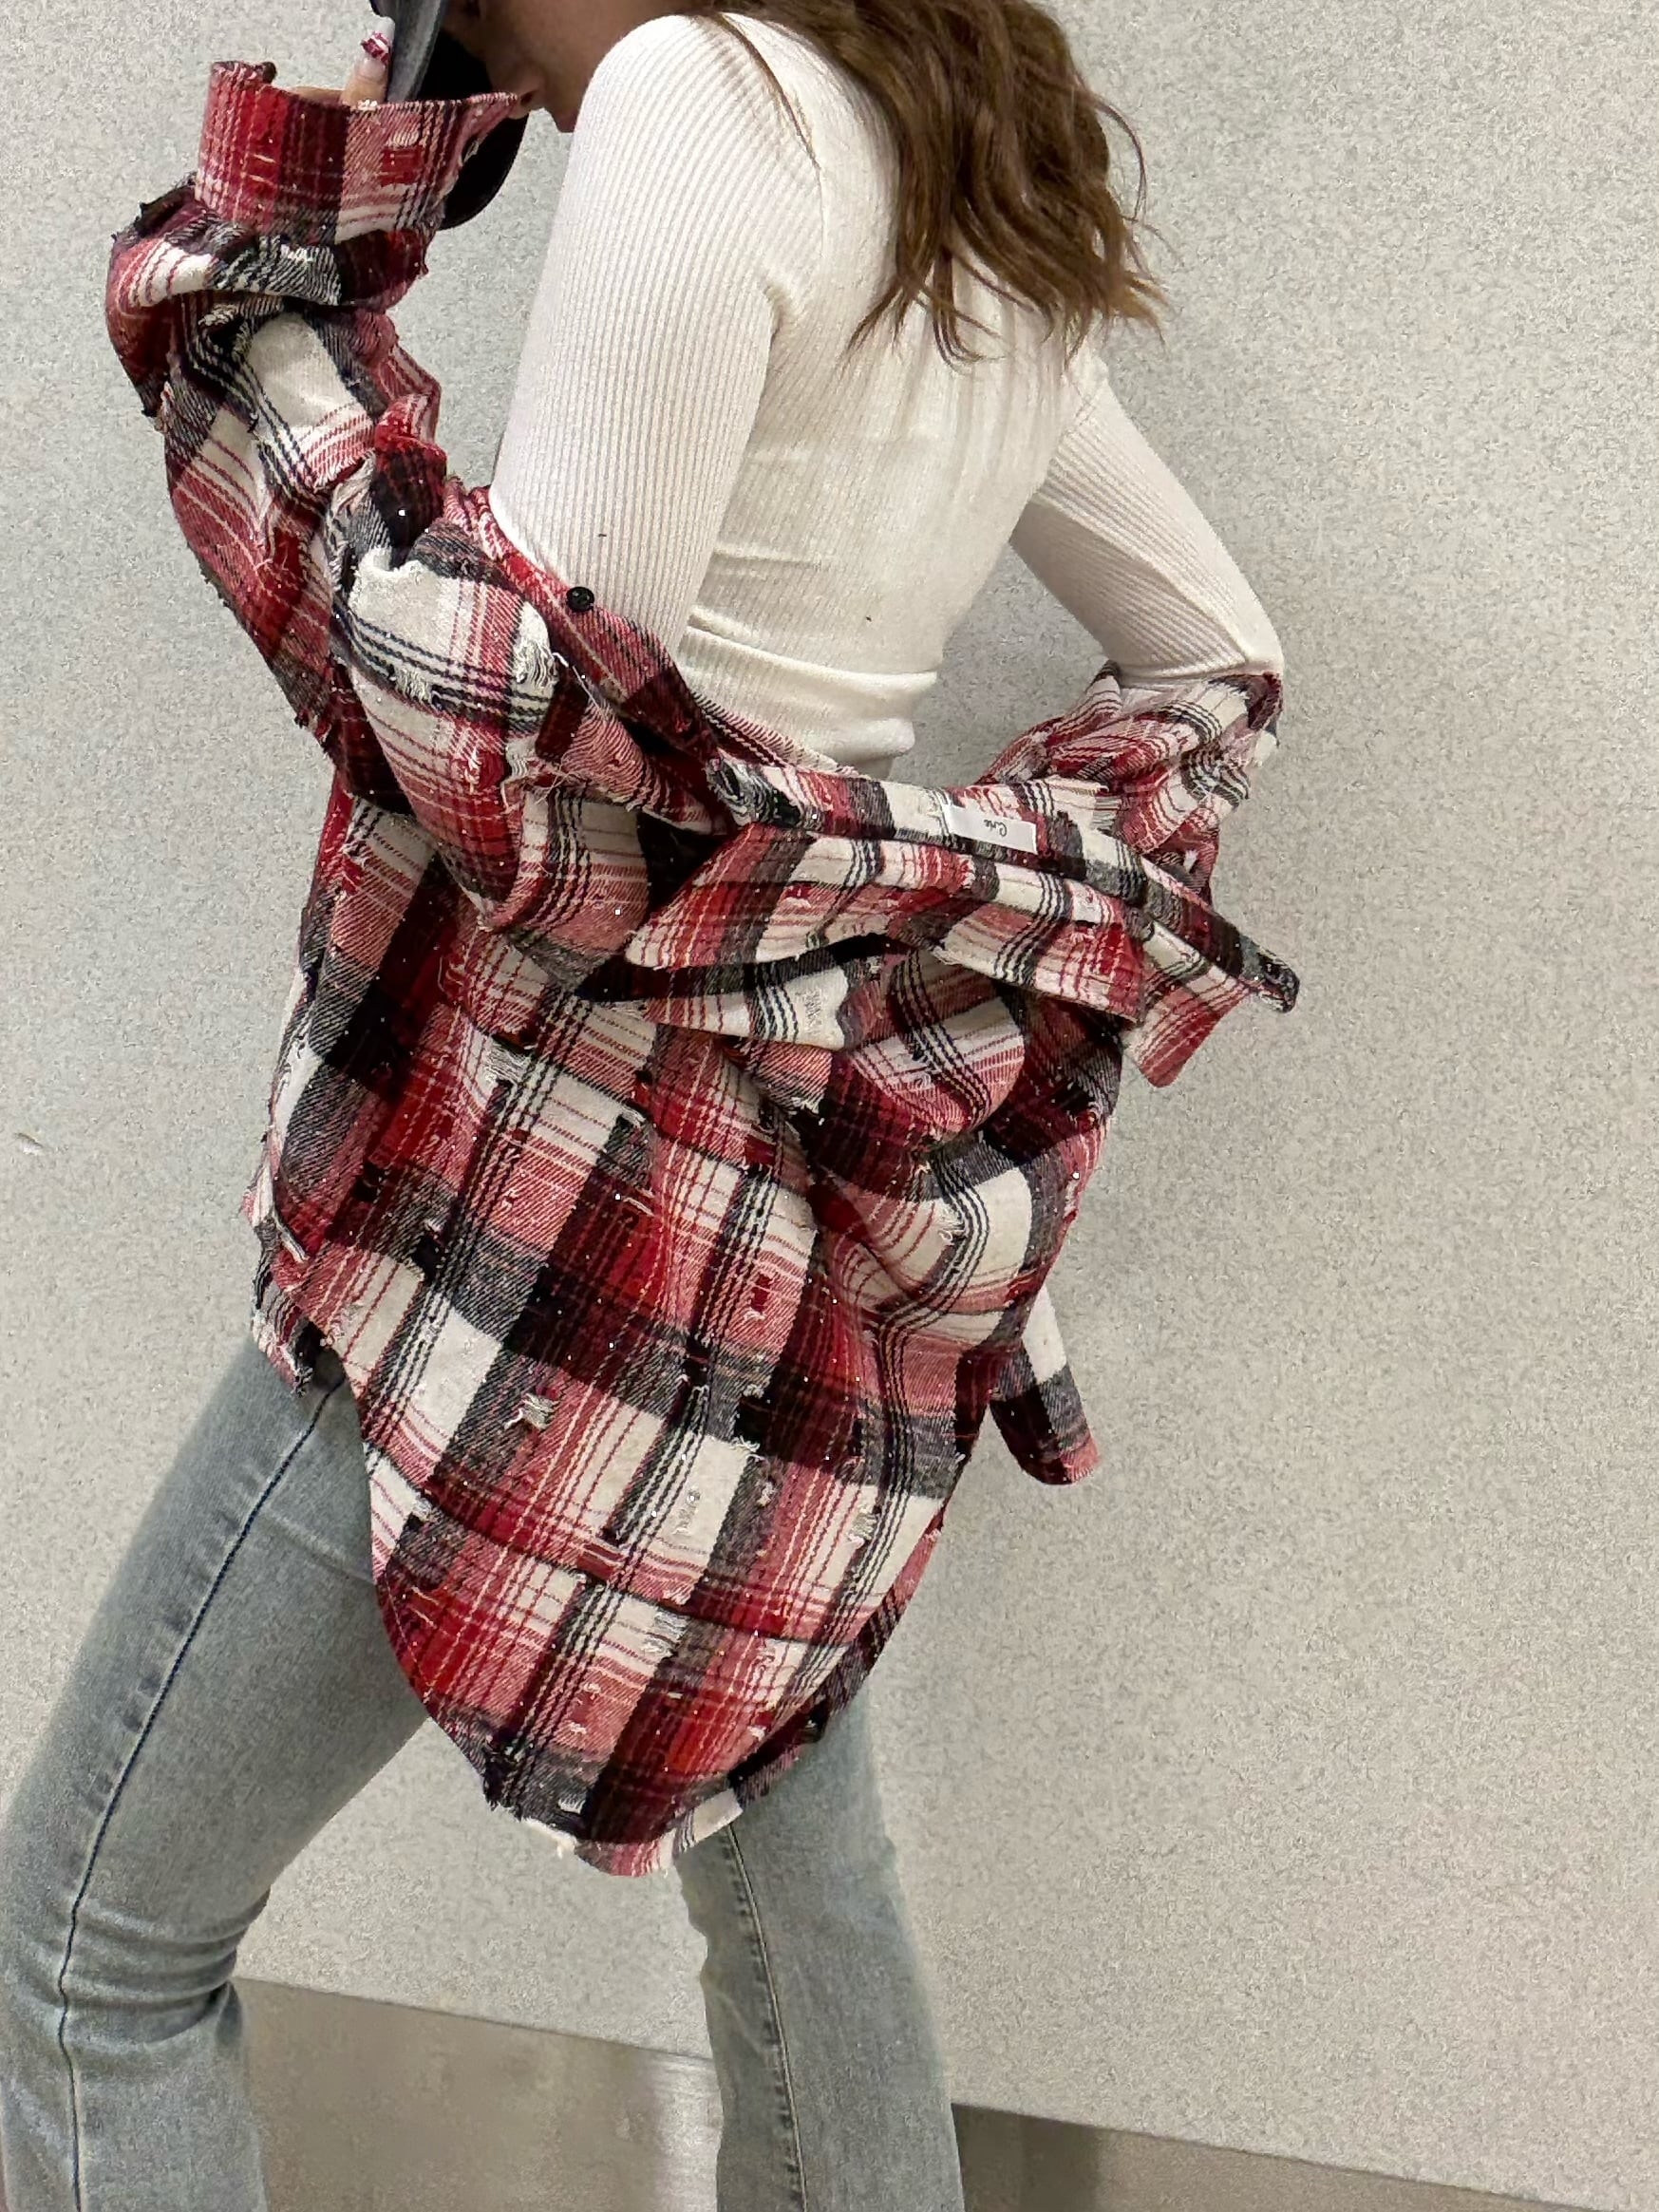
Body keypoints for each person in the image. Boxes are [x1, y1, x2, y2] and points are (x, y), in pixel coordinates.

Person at [0, 1, 1286, 2205]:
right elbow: (1213, 662)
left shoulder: (702, 99)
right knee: (799, 1899)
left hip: (530, 1222)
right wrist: (900, 922)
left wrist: (271, 276)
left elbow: (519, 742)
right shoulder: (962, 182)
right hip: (808, 1261)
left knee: (85, 1952)